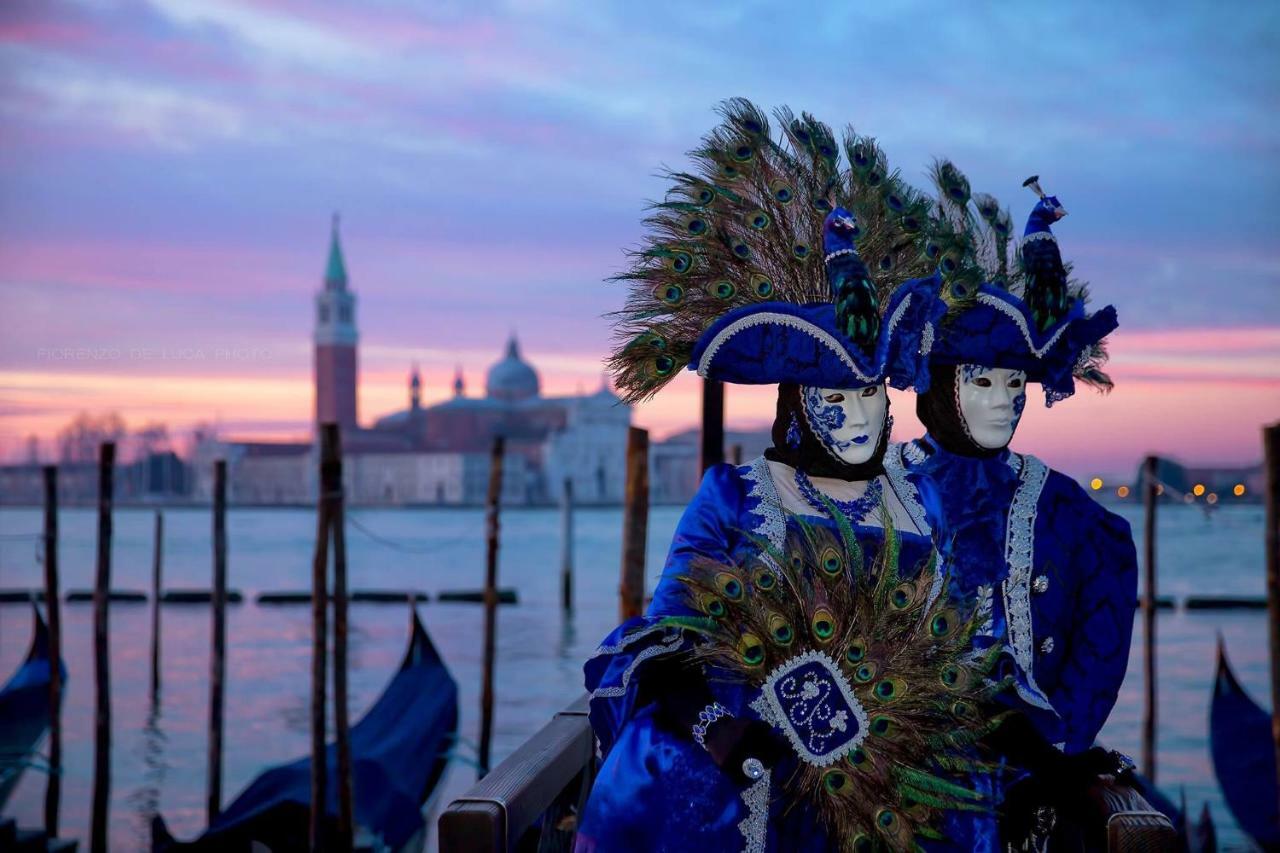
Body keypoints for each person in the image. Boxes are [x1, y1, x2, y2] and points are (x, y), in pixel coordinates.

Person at [575, 100, 997, 852]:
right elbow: (674, 634)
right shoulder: (738, 496)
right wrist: (721, 730)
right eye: (837, 399)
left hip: (896, 794)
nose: (863, 416)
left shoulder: (918, 497)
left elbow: (969, 652)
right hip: (753, 779)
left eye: (871, 393)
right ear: (798, 405)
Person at [887, 171, 1140, 847]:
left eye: (1013, 382)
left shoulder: (1070, 517)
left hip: (1031, 792)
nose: (1005, 400)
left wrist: (1055, 753)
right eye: (982, 381)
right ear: (939, 383)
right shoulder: (871, 489)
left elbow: (1098, 642)